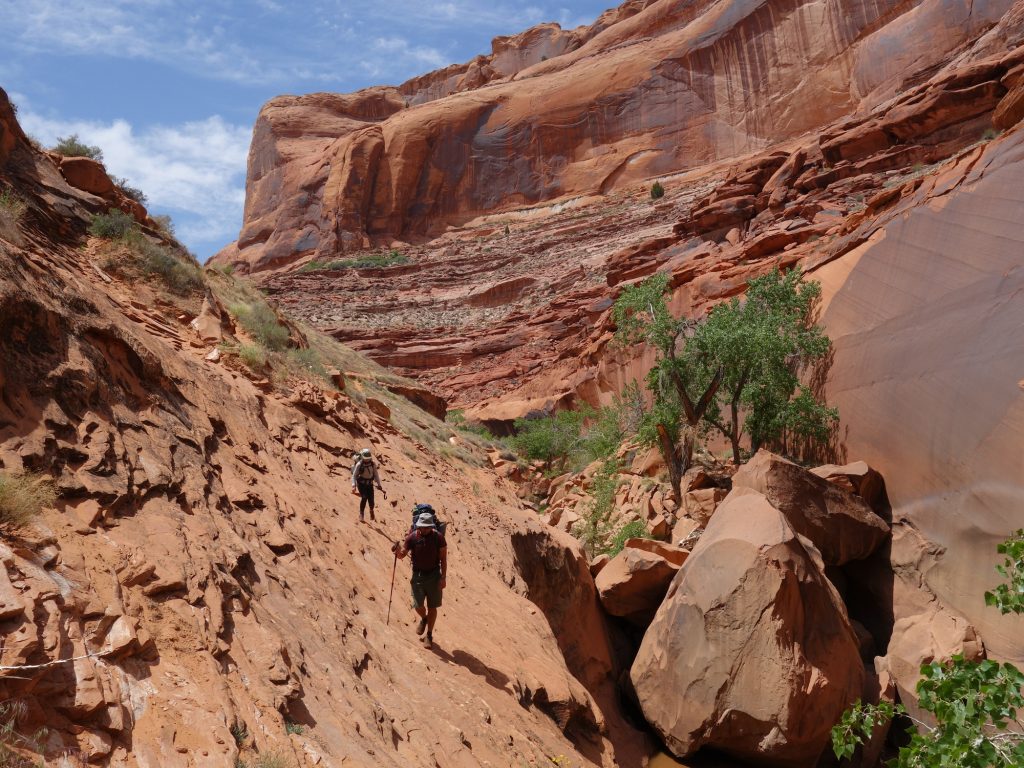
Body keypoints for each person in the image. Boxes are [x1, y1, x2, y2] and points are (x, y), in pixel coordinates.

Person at [394, 511, 447, 649]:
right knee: (418, 605)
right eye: (422, 526)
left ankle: (429, 635)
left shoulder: (439, 538)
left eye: (427, 527)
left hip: (434, 575)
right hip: (418, 576)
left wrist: (443, 577)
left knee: (432, 607)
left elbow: (443, 559)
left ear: (431, 526)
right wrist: (397, 551)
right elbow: (402, 555)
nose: (425, 529)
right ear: (418, 526)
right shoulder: (412, 538)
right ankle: (424, 619)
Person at [351, 447, 383, 522]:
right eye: (366, 458)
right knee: (364, 498)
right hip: (361, 484)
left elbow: (376, 475)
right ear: (362, 457)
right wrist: (353, 485)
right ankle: (361, 514)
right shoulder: (359, 464)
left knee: (371, 501)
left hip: (370, 484)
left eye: (368, 458)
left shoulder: (372, 464)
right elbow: (354, 476)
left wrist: (379, 484)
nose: (367, 459)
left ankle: (371, 510)